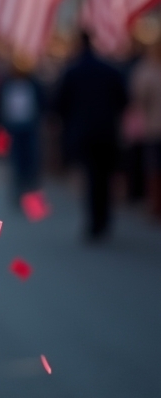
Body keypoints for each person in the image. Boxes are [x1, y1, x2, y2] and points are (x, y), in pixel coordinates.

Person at [55, 32, 129, 241]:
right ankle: (104, 220)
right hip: (107, 132)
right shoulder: (110, 71)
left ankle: (95, 222)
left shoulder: (72, 72)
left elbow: (60, 104)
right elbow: (123, 100)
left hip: (84, 134)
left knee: (92, 178)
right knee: (104, 178)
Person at [0, 59, 44, 202]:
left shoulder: (34, 85)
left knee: (31, 162)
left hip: (30, 127)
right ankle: (18, 194)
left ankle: (32, 196)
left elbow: (42, 103)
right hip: (13, 128)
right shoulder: (6, 85)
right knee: (16, 162)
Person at [129, 41, 161, 221]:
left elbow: (139, 96)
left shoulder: (149, 71)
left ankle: (155, 206)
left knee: (154, 168)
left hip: (154, 127)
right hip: (153, 126)